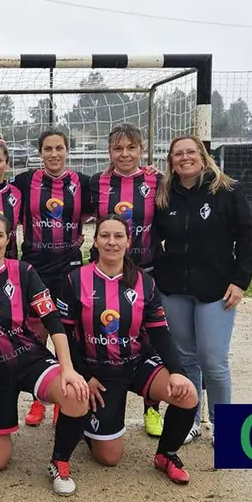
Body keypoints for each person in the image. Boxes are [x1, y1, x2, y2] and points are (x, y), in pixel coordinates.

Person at [0, 211, 91, 496]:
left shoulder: (23, 271)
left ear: (10, 237)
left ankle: (60, 462)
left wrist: (68, 368)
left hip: (28, 358)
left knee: (75, 393)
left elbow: (53, 321)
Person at [57, 214, 200, 488]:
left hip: (136, 363)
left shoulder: (145, 282)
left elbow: (159, 332)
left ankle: (166, 455)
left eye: (118, 236)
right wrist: (84, 374)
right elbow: (64, 336)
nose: (112, 242)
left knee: (187, 393)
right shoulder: (76, 280)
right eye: (105, 236)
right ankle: (89, 418)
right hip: (99, 371)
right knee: (109, 458)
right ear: (95, 241)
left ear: (128, 241)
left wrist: (178, 372)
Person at [0, 129, 95, 427]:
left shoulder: (83, 183)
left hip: (72, 265)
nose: (54, 154)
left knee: (209, 360)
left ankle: (217, 433)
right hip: (36, 264)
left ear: (67, 150)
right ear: (40, 152)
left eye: (59, 148)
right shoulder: (26, 182)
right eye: (48, 149)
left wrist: (232, 277)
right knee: (35, 332)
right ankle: (42, 397)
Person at [151, 135, 252, 446]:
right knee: (185, 359)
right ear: (170, 161)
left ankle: (225, 426)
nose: (184, 158)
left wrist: (240, 282)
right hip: (174, 290)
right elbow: (154, 239)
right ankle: (192, 420)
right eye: (177, 154)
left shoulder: (227, 190)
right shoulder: (165, 194)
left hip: (216, 291)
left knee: (213, 360)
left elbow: (248, 241)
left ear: (202, 155)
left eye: (190, 152)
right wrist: (160, 275)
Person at [91, 123, 165, 437]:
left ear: (141, 150)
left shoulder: (157, 180)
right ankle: (94, 404)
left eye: (131, 148)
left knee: (147, 339)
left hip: (145, 271)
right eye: (118, 148)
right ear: (110, 152)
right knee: (99, 338)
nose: (125, 154)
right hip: (103, 274)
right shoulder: (96, 183)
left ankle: (152, 408)